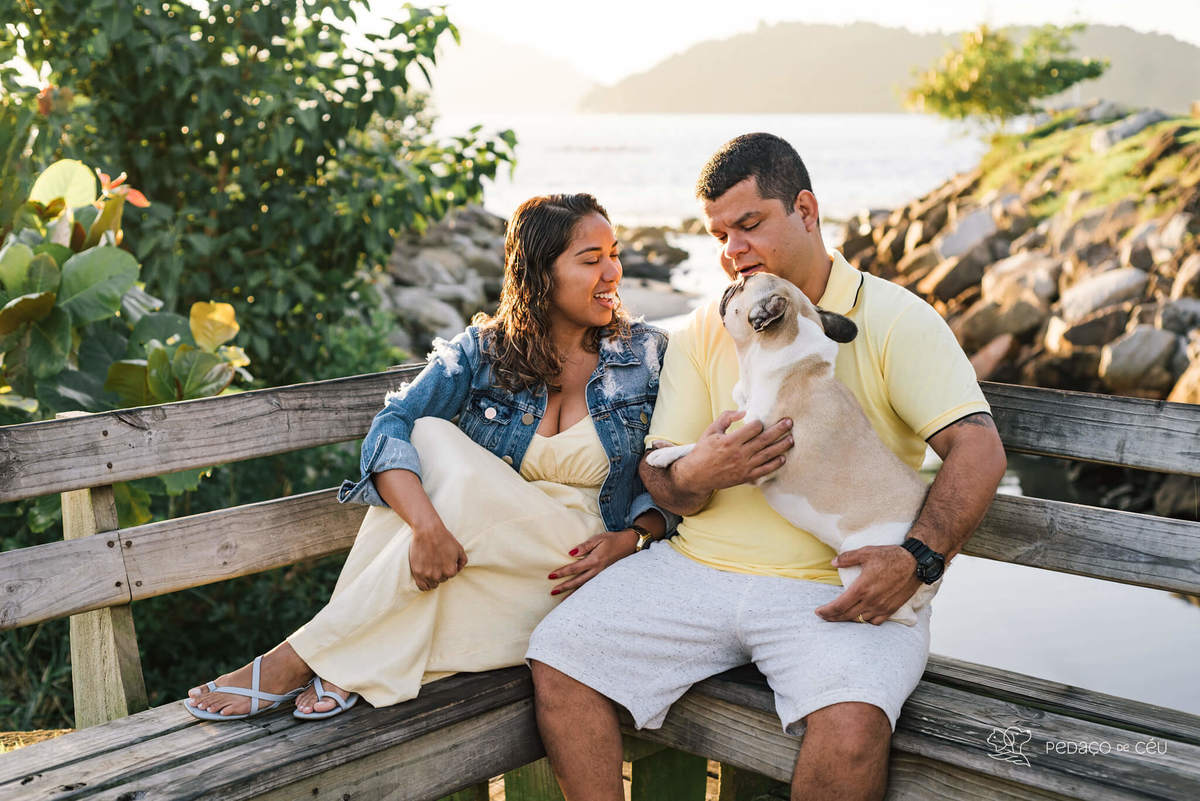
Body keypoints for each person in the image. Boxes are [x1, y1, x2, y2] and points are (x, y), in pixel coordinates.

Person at [527, 134, 1007, 801]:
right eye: (719, 234)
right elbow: (663, 480)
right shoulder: (708, 325)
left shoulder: (896, 318)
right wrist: (698, 471)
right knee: (560, 656)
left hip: (832, 585)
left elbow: (979, 449)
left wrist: (917, 558)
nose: (733, 250)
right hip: (696, 570)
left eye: (749, 225)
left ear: (805, 210)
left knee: (851, 728)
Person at [187, 193, 672, 721]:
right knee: (427, 432)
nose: (613, 272)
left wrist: (634, 536)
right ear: (540, 274)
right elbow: (391, 425)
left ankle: (296, 658)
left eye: (614, 254)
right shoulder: (483, 351)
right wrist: (426, 529)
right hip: (492, 564)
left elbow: (676, 472)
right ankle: (347, 661)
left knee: (440, 452)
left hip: (576, 564)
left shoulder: (645, 356)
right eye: (591, 259)